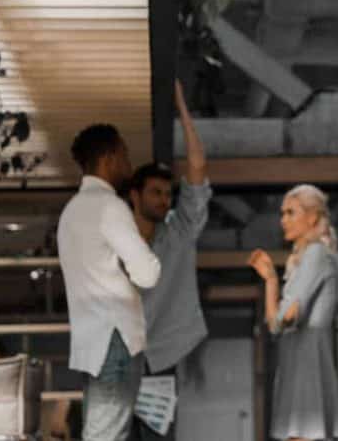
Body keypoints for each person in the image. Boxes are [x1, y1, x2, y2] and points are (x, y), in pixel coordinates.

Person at [58, 124, 161, 441]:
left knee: (100, 432)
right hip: (115, 339)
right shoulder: (109, 207)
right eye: (125, 154)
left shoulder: (71, 212)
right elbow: (148, 272)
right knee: (107, 435)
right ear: (109, 157)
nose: (128, 163)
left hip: (91, 343)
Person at [129, 80, 211, 440]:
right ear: (136, 196)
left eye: (167, 193)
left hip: (160, 358)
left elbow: (196, 167)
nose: (164, 200)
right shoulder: (115, 240)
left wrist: (181, 106)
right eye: (155, 193)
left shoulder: (178, 232)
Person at [249, 185, 338, 441]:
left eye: (291, 212)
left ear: (313, 216)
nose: (283, 220)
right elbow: (277, 324)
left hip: (307, 359)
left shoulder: (316, 254)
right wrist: (270, 279)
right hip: (297, 357)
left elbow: (285, 319)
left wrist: (273, 288)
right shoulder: (307, 258)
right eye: (282, 213)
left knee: (302, 436)